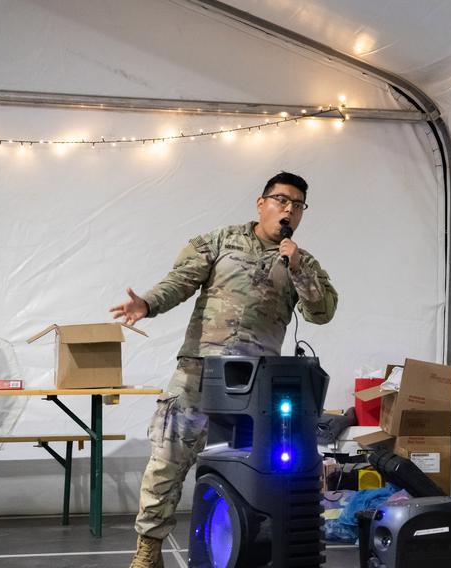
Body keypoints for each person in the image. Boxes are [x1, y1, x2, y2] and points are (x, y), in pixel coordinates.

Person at [110, 171, 338, 568]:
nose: (288, 209)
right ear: (261, 203)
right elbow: (178, 283)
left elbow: (322, 313)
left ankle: (235, 544)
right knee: (166, 462)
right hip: (199, 374)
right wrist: (145, 304)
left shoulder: (302, 261)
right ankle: (149, 549)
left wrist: (298, 266)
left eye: (297, 204)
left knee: (247, 468)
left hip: (256, 388)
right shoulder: (218, 241)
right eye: (281, 199)